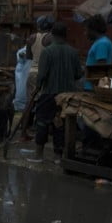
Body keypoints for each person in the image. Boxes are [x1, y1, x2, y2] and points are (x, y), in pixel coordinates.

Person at [34, 21, 83, 159]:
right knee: (60, 125)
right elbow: (78, 74)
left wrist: (37, 88)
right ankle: (57, 156)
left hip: (49, 93)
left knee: (42, 122)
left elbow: (42, 75)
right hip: (67, 96)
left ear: (52, 35)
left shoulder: (47, 52)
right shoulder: (73, 52)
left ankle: (39, 155)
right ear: (65, 36)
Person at [20, 15, 54, 140]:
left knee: (29, 103)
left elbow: (28, 56)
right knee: (45, 104)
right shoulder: (51, 38)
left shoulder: (32, 38)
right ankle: (43, 133)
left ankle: (23, 132)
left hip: (32, 72)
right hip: (45, 74)